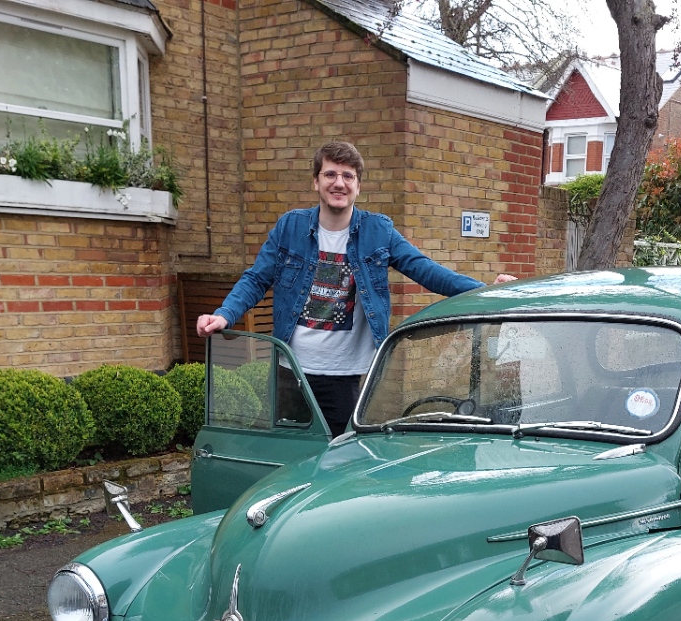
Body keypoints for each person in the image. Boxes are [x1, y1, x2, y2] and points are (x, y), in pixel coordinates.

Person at [197, 140, 516, 435]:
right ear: (316, 181)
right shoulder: (290, 227)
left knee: (338, 456)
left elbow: (424, 270)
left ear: (358, 186)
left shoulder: (378, 232)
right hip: (290, 370)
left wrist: (485, 291)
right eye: (330, 174)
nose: (339, 183)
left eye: (347, 176)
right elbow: (256, 278)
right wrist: (225, 314)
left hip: (343, 375)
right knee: (290, 457)